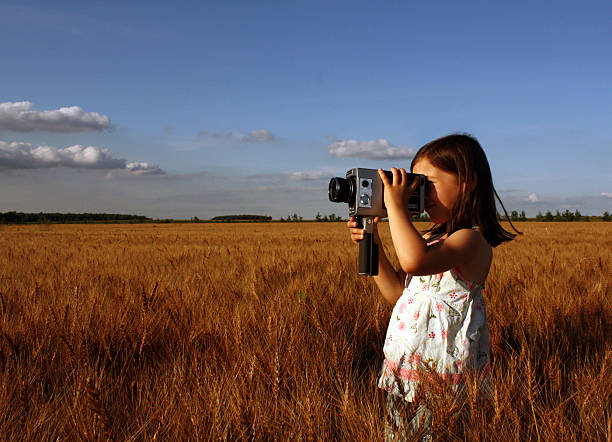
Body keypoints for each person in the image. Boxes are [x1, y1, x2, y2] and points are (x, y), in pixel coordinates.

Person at [347, 134, 519, 440]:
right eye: (417, 185)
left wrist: (395, 206)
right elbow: (397, 293)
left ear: (468, 182)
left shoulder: (471, 240)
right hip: (404, 376)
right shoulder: (428, 240)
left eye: (428, 183)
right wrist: (372, 239)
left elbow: (414, 260)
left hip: (443, 384)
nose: (421, 193)